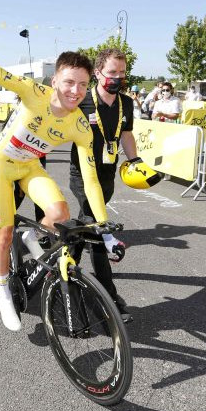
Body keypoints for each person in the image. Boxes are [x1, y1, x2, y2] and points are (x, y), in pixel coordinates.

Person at [0, 1, 119, 331]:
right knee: (3, 234)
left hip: (30, 167)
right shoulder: (33, 92)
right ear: (55, 79)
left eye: (83, 85)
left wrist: (104, 226)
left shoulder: (80, 125)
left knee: (59, 213)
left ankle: (33, 232)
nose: (75, 91)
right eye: (69, 82)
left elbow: (91, 179)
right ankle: (4, 292)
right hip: (0, 166)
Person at [69, 48, 136, 322]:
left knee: (85, 224)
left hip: (108, 175)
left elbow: (127, 134)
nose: (117, 78)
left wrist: (136, 160)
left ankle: (64, 265)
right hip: (82, 174)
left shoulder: (126, 103)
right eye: (112, 72)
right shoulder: (82, 100)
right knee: (98, 230)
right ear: (97, 73)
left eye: (122, 72)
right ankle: (108, 298)